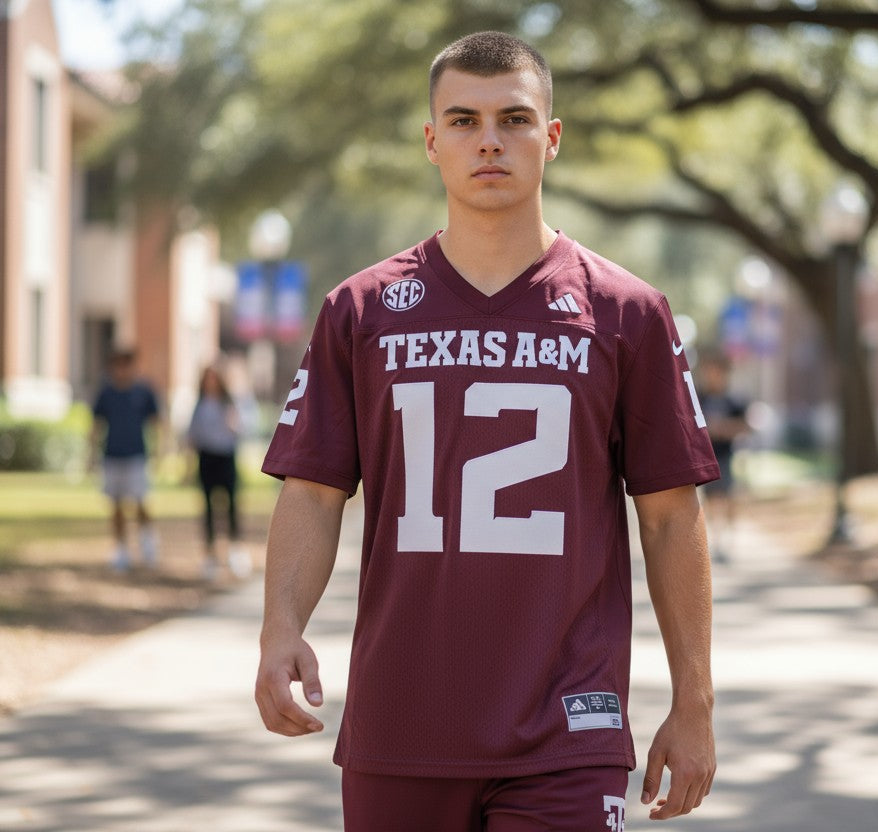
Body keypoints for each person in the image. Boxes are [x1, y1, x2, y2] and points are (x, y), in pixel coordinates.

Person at [255, 31, 718, 830]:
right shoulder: (359, 311)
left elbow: (672, 515)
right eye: (463, 121)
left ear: (553, 137)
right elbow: (315, 491)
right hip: (402, 725)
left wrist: (695, 701)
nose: (490, 140)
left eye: (515, 119)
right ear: (432, 142)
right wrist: (279, 630)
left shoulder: (626, 313)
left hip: (571, 729)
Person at [90, 348, 160, 572]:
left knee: (140, 501)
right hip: (112, 455)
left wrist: (158, 451)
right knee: (116, 505)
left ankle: (147, 540)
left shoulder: (142, 391)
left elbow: (155, 421)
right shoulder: (107, 392)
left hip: (136, 455)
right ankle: (121, 548)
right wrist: (90, 453)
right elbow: (96, 424)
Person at [188, 364, 252, 581]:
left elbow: (242, 428)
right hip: (207, 457)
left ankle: (235, 549)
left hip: (226, 456)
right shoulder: (200, 405)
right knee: (208, 506)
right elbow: (192, 433)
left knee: (231, 504)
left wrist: (233, 422)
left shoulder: (230, 403)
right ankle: (210, 553)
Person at [695, 351, 750, 562]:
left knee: (728, 499)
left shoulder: (734, 400)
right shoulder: (699, 397)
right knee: (710, 501)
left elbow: (745, 426)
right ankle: (714, 540)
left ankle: (727, 540)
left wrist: (722, 428)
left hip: (727, 456)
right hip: (706, 457)